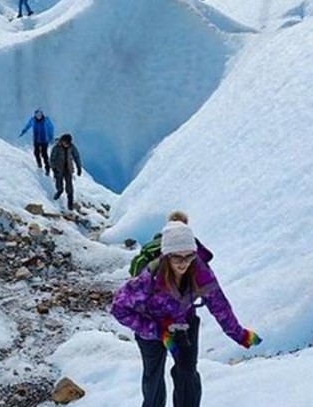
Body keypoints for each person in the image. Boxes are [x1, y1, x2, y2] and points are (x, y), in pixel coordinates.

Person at [111, 215, 262, 407]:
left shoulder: (201, 272)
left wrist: (240, 335)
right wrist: (157, 330)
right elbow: (119, 308)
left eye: (189, 256)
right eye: (176, 257)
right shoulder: (150, 277)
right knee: (153, 376)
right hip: (151, 327)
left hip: (184, 324)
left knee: (188, 374)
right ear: (166, 256)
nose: (183, 263)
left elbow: (219, 306)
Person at [49, 134, 82, 210]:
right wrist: (53, 168)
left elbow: (76, 156)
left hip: (68, 169)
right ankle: (59, 192)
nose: (66, 145)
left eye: (68, 143)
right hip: (58, 169)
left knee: (69, 187)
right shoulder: (56, 148)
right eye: (65, 143)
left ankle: (70, 203)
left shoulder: (72, 147)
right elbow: (52, 159)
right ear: (62, 141)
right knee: (59, 184)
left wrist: (79, 167)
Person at [19, 109, 55, 175]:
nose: (38, 116)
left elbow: (51, 128)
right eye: (37, 115)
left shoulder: (46, 120)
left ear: (42, 114)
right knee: (36, 153)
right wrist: (23, 131)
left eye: (40, 114)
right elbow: (28, 125)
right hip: (36, 140)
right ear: (35, 115)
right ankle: (39, 164)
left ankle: (47, 168)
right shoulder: (33, 120)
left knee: (44, 154)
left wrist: (51, 137)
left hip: (44, 140)